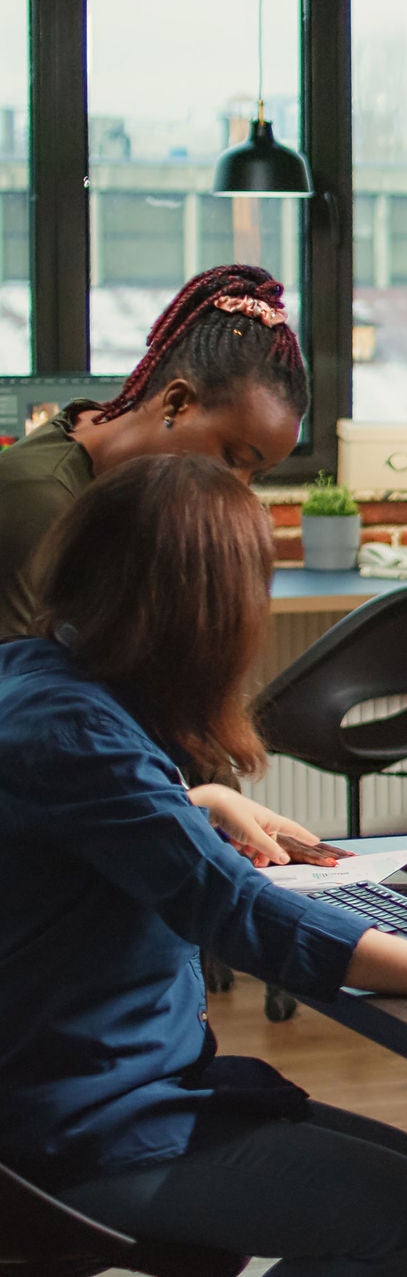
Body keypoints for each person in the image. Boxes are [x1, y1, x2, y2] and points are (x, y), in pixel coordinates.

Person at [0, 454, 407, 1276]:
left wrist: (198, 802)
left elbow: (82, 827)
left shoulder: (32, 676)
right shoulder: (82, 738)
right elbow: (236, 910)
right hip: (71, 1132)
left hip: (72, 1090)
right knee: (400, 1205)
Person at [0, 265, 318, 867]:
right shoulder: (38, 503)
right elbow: (37, 734)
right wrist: (195, 809)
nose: (239, 489)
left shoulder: (126, 488)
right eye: (233, 458)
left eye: (258, 475)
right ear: (175, 401)